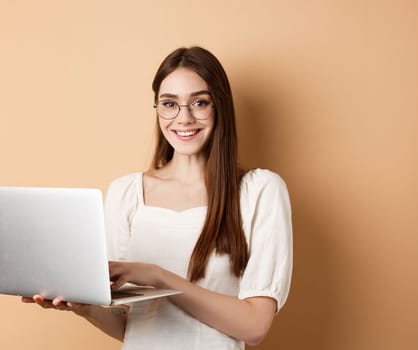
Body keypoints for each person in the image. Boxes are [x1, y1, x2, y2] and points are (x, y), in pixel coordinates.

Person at [21, 46, 293, 349]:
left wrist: (157, 277)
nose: (184, 118)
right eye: (170, 104)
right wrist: (87, 308)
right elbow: (131, 325)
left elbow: (254, 326)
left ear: (220, 107)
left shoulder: (260, 190)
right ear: (158, 108)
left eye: (200, 102)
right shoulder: (126, 192)